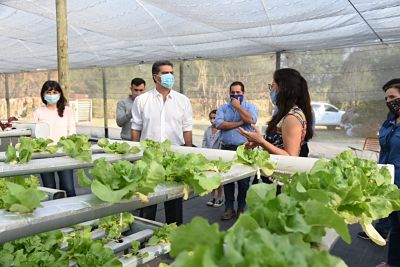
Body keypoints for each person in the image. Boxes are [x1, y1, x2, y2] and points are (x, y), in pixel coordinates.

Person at [131, 60, 192, 225]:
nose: (170, 76)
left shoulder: (182, 100)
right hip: (149, 158)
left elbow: (187, 128)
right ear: (155, 77)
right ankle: (144, 236)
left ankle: (174, 237)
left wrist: (188, 153)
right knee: (148, 200)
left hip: (175, 158)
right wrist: (135, 154)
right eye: (165, 73)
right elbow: (136, 127)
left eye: (171, 72)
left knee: (173, 200)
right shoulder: (142, 100)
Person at [239, 68, 313, 157]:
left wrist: (261, 141)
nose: (271, 90)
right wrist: (260, 140)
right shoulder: (284, 113)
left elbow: (291, 156)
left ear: (283, 88)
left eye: (273, 86)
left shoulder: (292, 117)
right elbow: (279, 142)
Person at [215, 81, 258, 220]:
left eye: (238, 92)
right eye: (232, 92)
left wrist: (238, 107)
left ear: (243, 93)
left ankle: (241, 208)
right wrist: (241, 122)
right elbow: (220, 124)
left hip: (245, 149)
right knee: (227, 181)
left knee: (244, 182)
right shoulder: (223, 108)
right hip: (226, 149)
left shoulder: (250, 107)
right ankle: (228, 208)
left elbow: (251, 120)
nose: (235, 95)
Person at [371, 79, 400, 267]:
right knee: (396, 227)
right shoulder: (390, 120)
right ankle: (392, 263)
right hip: (390, 183)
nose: (389, 101)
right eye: (386, 98)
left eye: (393, 97)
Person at [33, 80, 76, 197]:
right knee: (50, 189)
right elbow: (35, 135)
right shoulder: (38, 112)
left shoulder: (67, 111)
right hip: (45, 155)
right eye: (48, 92)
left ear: (60, 94)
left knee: (69, 188)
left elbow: (72, 132)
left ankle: (73, 214)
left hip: (64, 154)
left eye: (55, 92)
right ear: (43, 94)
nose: (51, 95)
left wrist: (70, 147)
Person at [202, 109, 224, 207]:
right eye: (211, 118)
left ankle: (220, 197)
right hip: (208, 158)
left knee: (218, 180)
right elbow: (204, 142)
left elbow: (222, 144)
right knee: (211, 179)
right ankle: (212, 197)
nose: (212, 120)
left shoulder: (222, 130)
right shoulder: (207, 130)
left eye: (214, 118)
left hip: (218, 158)